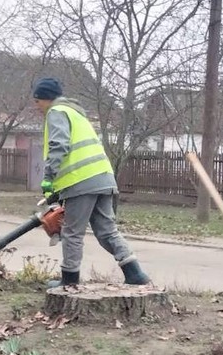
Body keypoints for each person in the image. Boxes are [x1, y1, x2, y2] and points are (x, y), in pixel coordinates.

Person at [32, 77, 151, 287]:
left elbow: (59, 145)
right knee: (107, 230)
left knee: (71, 232)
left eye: (37, 101)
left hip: (81, 181)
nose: (37, 106)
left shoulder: (57, 112)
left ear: (45, 98)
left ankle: (69, 280)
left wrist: (49, 178)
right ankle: (135, 274)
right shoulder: (77, 114)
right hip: (104, 177)